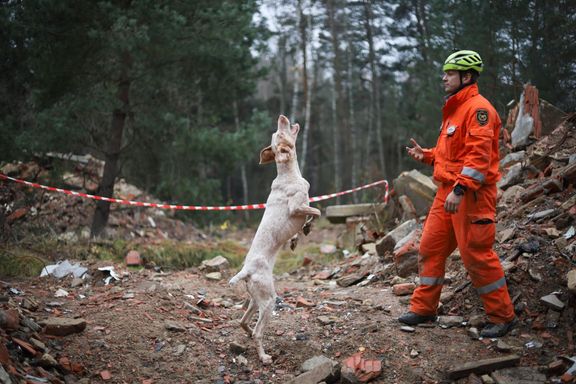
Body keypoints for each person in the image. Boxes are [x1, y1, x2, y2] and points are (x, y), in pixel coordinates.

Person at [400, 50, 517, 338]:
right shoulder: (454, 109)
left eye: (449, 73)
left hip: (471, 195)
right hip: (447, 192)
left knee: (476, 254)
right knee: (430, 248)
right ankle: (424, 308)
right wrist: (427, 155)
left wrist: (462, 187)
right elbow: (451, 154)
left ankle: (503, 317)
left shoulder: (480, 110)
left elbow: (478, 158)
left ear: (467, 77)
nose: (444, 77)